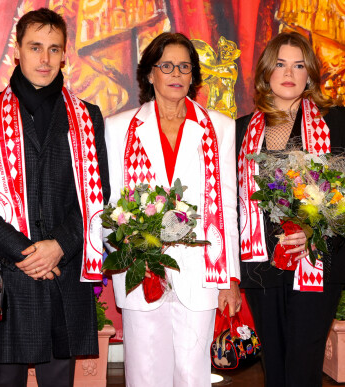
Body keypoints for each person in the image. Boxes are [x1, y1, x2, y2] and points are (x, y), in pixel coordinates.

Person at [0, 8, 110, 387]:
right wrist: (25, 253)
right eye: (35, 47)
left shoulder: (87, 116)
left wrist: (59, 245)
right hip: (8, 274)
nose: (44, 59)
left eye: (54, 49)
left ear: (64, 55)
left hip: (63, 271)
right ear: (17, 51)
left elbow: (98, 194)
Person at [236, 31, 345, 387]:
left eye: (299, 65)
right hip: (261, 270)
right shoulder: (239, 131)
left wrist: (317, 230)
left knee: (303, 369)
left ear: (310, 74)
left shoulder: (335, 122)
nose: (289, 72)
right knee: (276, 371)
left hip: (319, 262)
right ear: (267, 72)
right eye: (280, 64)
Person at [104, 32, 241, 387]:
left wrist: (230, 279)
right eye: (167, 65)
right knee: (145, 374)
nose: (176, 73)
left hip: (200, 273)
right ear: (150, 74)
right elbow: (109, 206)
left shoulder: (220, 129)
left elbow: (227, 204)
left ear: (193, 76)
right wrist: (129, 247)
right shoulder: (118, 129)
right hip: (141, 270)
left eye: (184, 66)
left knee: (193, 375)